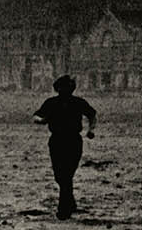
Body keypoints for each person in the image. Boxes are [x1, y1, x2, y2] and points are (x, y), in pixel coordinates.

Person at [34, 76, 98, 218]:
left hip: (73, 140)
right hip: (56, 141)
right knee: (60, 175)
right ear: (57, 88)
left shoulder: (78, 102)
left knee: (67, 173)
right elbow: (36, 116)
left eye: (68, 87)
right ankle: (70, 201)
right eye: (62, 87)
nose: (65, 90)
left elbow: (92, 115)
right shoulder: (51, 103)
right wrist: (42, 120)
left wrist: (91, 130)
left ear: (72, 88)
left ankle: (63, 209)